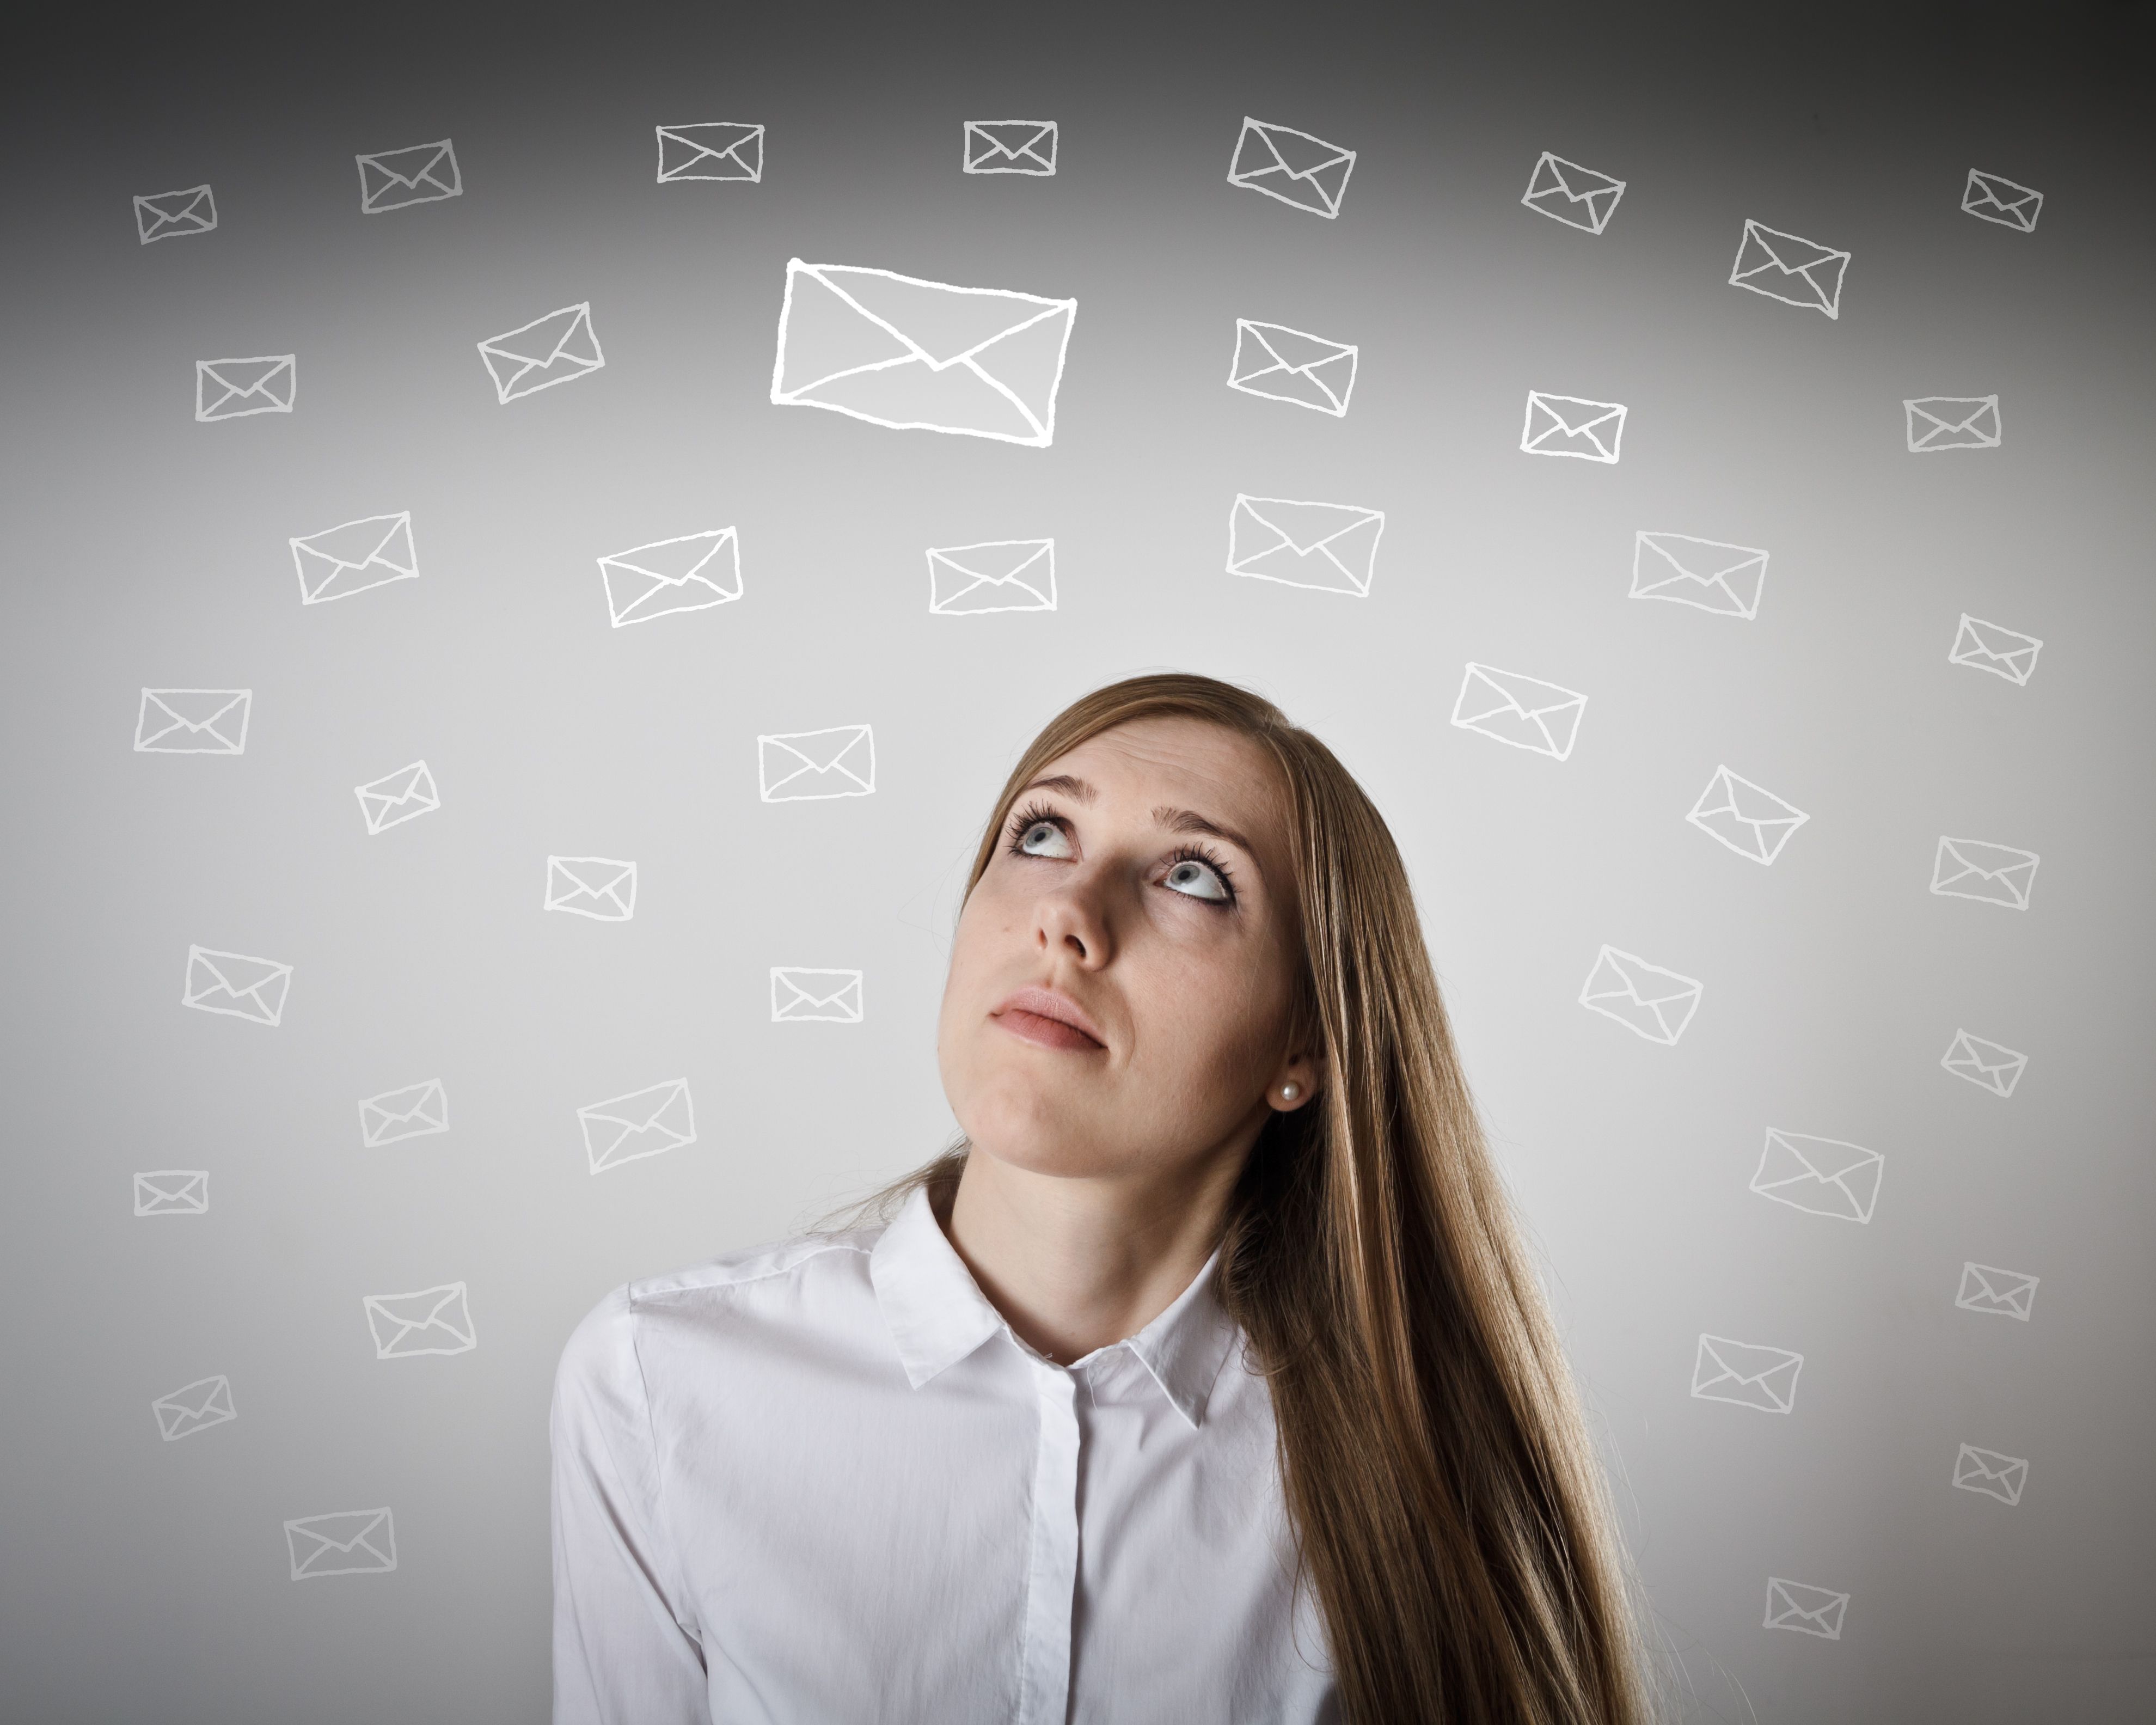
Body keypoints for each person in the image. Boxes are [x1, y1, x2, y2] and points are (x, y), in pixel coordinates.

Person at [550, 671, 1651, 1724]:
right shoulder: (656, 1382)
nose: (1068, 915)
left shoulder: (1420, 1469)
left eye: (1193, 876)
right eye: (1041, 835)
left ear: (1305, 1045)